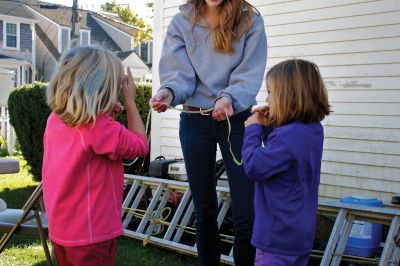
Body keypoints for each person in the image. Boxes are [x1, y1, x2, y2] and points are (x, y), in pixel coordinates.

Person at [149, 0, 267, 265]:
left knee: (246, 211)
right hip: (194, 120)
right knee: (204, 210)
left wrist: (228, 99)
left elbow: (248, 75)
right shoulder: (182, 21)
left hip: (236, 119)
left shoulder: (251, 22)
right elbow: (179, 74)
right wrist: (168, 92)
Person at [42, 46, 148, 266]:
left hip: (62, 231)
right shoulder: (98, 126)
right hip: (92, 234)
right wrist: (130, 101)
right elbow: (140, 145)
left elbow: (90, 147)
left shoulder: (55, 119)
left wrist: (108, 117)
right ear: (102, 88)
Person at [242, 59, 331, 266]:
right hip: (299, 234)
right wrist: (267, 129)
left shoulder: (288, 136)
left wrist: (253, 130)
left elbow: (255, 167)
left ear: (288, 95)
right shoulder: (312, 130)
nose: (267, 99)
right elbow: (282, 160)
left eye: (270, 92)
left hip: (277, 235)